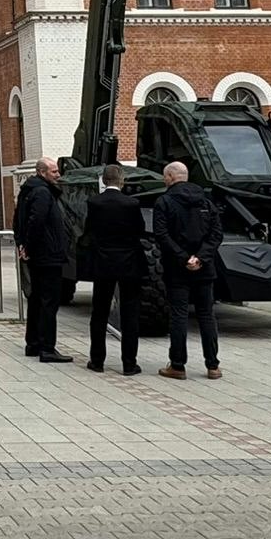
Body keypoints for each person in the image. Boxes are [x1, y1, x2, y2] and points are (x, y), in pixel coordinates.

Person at [154, 160, 223, 380]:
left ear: (170, 178)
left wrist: (184, 258)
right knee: (206, 315)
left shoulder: (164, 201)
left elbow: (161, 235)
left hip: (177, 269)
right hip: (205, 269)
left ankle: (177, 365)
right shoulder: (206, 201)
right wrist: (201, 258)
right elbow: (216, 234)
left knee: (179, 315)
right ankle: (212, 366)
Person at [81, 162, 146, 376]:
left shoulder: (94, 202)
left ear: (103, 180)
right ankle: (129, 363)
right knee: (130, 313)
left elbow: (89, 231)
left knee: (99, 312)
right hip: (128, 264)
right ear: (122, 180)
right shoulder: (132, 204)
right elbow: (139, 231)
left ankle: (97, 360)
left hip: (103, 264)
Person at [13, 154, 72, 364]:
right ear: (41, 172)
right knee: (49, 301)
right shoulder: (42, 193)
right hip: (48, 256)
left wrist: (22, 244)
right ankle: (47, 347)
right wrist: (27, 245)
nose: (58, 175)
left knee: (36, 299)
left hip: (39, 254)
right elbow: (35, 221)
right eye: (54, 172)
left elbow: (17, 219)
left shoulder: (28, 191)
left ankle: (33, 344)